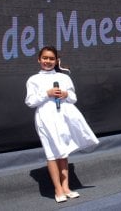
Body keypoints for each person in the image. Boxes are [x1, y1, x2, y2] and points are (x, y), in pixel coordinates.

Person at [25, 46, 99, 203]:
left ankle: (66, 187)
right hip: (45, 118)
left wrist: (65, 94)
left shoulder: (64, 78)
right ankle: (57, 189)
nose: (48, 61)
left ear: (56, 61)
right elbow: (30, 101)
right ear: (39, 59)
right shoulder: (33, 80)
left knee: (63, 153)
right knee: (52, 154)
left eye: (51, 59)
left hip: (62, 117)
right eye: (45, 58)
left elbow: (73, 97)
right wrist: (47, 93)